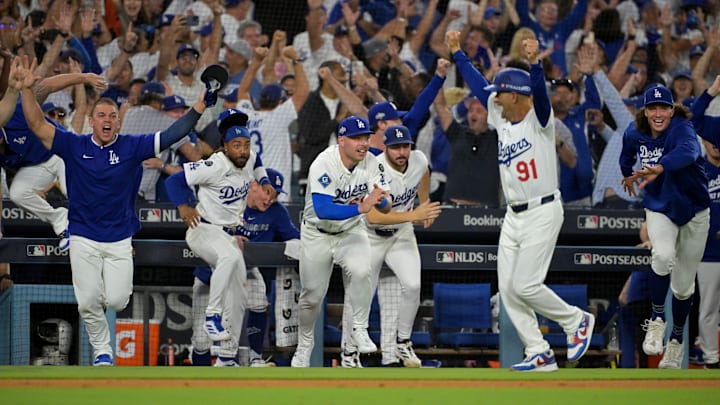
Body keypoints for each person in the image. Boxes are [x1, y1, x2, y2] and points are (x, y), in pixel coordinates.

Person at [15, 55, 215, 366]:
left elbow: (174, 134)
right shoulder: (73, 145)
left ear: (118, 122)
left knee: (118, 299)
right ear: (92, 121)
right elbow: (37, 124)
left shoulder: (133, 146)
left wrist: (200, 106)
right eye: (101, 115)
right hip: (82, 235)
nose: (107, 119)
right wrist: (27, 90)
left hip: (120, 239)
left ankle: (105, 340)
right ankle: (103, 353)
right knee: (87, 303)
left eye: (112, 115)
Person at [447, 30, 595, 372]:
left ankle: (576, 321)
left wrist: (535, 64)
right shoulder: (501, 115)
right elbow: (475, 83)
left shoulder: (540, 119)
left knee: (526, 285)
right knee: (509, 289)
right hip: (513, 216)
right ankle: (538, 351)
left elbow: (540, 94)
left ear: (515, 95)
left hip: (542, 210)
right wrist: (458, 54)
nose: (494, 97)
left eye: (500, 92)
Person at [165, 109, 275, 367]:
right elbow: (174, 182)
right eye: (236, 145)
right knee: (228, 256)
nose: (243, 150)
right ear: (225, 147)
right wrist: (183, 205)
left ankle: (227, 357)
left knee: (238, 297)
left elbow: (257, 164)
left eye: (246, 145)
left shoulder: (249, 159)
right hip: (203, 229)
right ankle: (213, 315)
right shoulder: (215, 164)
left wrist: (266, 180)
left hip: (228, 234)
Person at [621, 85, 710, 369]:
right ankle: (657, 319)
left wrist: (659, 167)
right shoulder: (634, 132)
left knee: (684, 287)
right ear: (645, 112)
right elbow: (625, 157)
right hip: (659, 205)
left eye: (664, 108)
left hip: (694, 210)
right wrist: (627, 176)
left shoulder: (683, 128)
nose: (658, 114)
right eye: (652, 108)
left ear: (673, 110)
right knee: (661, 255)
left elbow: (687, 152)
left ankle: (676, 341)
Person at [292, 116, 392, 368]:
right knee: (312, 297)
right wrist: (363, 207)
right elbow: (324, 209)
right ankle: (304, 344)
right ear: (342, 141)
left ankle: (359, 328)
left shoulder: (373, 161)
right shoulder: (323, 163)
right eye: (357, 138)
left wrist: (380, 200)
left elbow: (386, 204)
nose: (363, 143)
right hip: (318, 232)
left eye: (366, 137)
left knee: (361, 270)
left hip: (350, 232)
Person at [338, 125, 441, 368]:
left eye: (405, 146)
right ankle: (349, 353)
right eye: (395, 147)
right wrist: (415, 214)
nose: (401, 152)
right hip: (370, 236)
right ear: (385, 148)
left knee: (413, 285)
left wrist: (424, 203)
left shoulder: (418, 159)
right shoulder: (374, 168)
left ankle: (403, 343)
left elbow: (424, 172)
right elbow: (374, 217)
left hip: (400, 235)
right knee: (359, 296)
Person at [189, 168, 300, 367]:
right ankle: (200, 383)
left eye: (274, 196)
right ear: (253, 185)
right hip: (210, 275)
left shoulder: (276, 211)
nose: (270, 200)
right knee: (200, 339)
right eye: (268, 192)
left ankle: (255, 358)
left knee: (259, 300)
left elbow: (294, 237)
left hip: (246, 271)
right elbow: (204, 231)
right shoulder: (230, 202)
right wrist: (227, 239)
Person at [690, 75, 720, 369]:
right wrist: (711, 91)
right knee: (709, 307)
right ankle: (711, 357)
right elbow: (694, 117)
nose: (716, 145)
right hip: (708, 250)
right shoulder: (699, 172)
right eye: (710, 141)